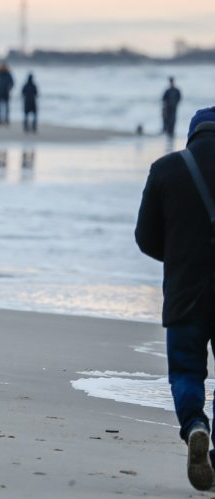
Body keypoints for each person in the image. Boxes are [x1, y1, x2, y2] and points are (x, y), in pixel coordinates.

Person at [136, 107, 215, 491]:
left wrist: (181, 256)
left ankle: (195, 425)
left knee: (186, 371)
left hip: (185, 293)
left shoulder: (166, 169)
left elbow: (145, 238)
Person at [0, 62, 14, 126]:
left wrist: (9, 88)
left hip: (6, 93)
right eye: (2, 66)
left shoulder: (8, 74)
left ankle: (6, 120)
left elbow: (12, 82)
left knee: (7, 107)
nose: (3, 67)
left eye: (4, 66)